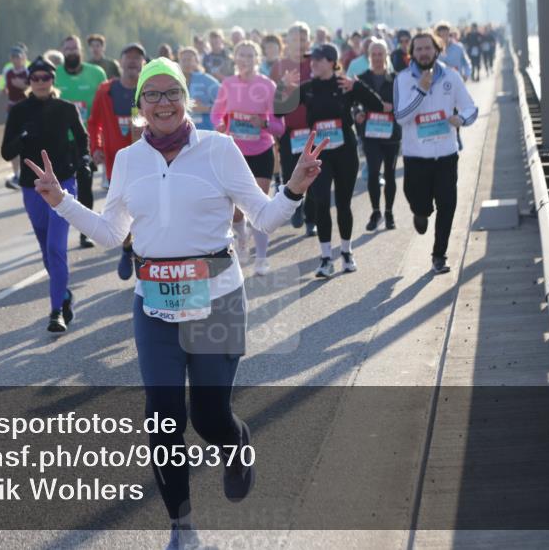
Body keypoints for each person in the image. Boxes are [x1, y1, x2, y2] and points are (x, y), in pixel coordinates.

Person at [25, 57, 327, 550]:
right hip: (155, 306)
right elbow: (110, 234)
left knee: (209, 417)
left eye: (171, 94)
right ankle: (182, 527)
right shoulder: (127, 160)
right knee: (163, 417)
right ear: (140, 105)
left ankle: (236, 445)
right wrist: (60, 200)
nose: (162, 103)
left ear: (186, 99)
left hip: (218, 299)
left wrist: (293, 188)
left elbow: (264, 218)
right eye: (152, 95)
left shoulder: (220, 150)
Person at [277, 43, 384, 278]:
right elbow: (279, 110)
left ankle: (346, 252)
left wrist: (358, 87)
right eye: (311, 59)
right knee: (323, 201)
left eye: (317, 59)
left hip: (345, 151)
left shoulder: (344, 85)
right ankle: (326, 258)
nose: (312, 63)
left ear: (331, 61)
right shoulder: (308, 88)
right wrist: (282, 87)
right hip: (319, 154)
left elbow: (376, 105)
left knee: (344, 204)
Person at [1, 56, 88, 332]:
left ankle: (56, 312)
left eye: (45, 78)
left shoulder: (65, 108)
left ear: (53, 80)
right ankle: (63, 293)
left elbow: (82, 139)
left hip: (63, 185)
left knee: (56, 247)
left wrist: (84, 160)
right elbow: (5, 152)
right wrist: (23, 136)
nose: (40, 82)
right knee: (46, 251)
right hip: (33, 188)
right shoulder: (19, 112)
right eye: (35, 78)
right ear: (29, 81)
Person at [394, 32, 478, 274]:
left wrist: (460, 118)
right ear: (412, 53)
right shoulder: (403, 79)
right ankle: (420, 214)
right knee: (419, 204)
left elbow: (470, 107)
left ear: (437, 50)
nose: (423, 53)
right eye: (418, 49)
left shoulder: (451, 76)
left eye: (427, 48)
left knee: (448, 204)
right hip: (416, 157)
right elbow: (401, 117)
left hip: (446, 155)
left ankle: (439, 255)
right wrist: (421, 90)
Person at [211, 40, 284, 276]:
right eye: (241, 55)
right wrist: (221, 125)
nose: (245, 60)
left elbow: (279, 126)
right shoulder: (228, 84)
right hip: (234, 153)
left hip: (261, 151)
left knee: (259, 207)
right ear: (235, 58)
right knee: (236, 211)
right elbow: (216, 114)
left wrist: (262, 123)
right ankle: (242, 239)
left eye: (250, 56)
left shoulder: (268, 85)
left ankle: (261, 258)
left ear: (257, 59)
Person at [88, 43, 147, 279]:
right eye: (128, 57)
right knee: (122, 212)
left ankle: (143, 255)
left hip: (145, 161)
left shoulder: (149, 90)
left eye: (137, 58)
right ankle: (127, 248)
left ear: (143, 63)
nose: (133, 62)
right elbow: (95, 123)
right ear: (120, 62)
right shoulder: (106, 91)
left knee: (144, 210)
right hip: (116, 163)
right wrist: (96, 148)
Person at [55, 35, 108, 249]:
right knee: (61, 186)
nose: (71, 52)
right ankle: (59, 229)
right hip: (58, 140)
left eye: (74, 48)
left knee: (85, 181)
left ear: (80, 51)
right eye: (67, 49)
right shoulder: (54, 75)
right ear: (62, 52)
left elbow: (105, 106)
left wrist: (102, 140)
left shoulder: (96, 74)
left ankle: (85, 232)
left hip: (84, 138)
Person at [270, 22, 317, 236]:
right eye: (296, 38)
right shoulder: (279, 67)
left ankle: (311, 217)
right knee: (291, 174)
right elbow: (271, 100)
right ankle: (297, 207)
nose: (300, 42)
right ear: (287, 41)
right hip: (288, 131)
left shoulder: (316, 62)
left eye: (304, 37)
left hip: (314, 129)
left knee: (315, 175)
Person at [354, 39, 400, 230]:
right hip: (371, 133)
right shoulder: (362, 78)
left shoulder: (396, 78)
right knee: (373, 172)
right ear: (369, 57)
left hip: (391, 134)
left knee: (390, 174)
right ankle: (375, 211)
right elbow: (354, 102)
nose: (377, 58)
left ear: (386, 55)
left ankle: (389, 213)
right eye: (374, 54)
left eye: (381, 54)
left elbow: (405, 103)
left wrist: (394, 107)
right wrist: (358, 113)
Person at [3, 45, 30, 190]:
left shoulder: (28, 72)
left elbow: (32, 89)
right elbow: (9, 89)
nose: (16, 60)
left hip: (26, 110)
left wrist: (24, 86)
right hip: (12, 110)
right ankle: (16, 174)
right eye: (13, 57)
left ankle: (29, 170)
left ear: (24, 58)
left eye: (18, 57)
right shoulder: (8, 73)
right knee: (12, 142)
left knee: (28, 140)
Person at [177, 47, 220, 131]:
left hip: (205, 131)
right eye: (184, 60)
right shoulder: (175, 81)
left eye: (189, 60)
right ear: (179, 62)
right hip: (182, 132)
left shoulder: (206, 80)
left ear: (196, 62)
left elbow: (226, 102)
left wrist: (207, 108)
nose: (186, 63)